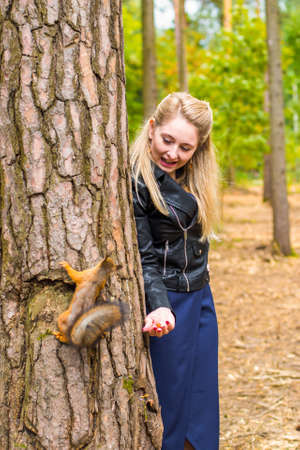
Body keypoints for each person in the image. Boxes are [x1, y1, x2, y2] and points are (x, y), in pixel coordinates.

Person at [130, 92, 219, 450]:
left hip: (201, 298)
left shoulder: (191, 176)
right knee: (171, 408)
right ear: (152, 128)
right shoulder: (138, 180)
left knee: (201, 404)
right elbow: (144, 255)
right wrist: (158, 304)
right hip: (168, 305)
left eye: (185, 147)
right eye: (167, 140)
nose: (173, 153)